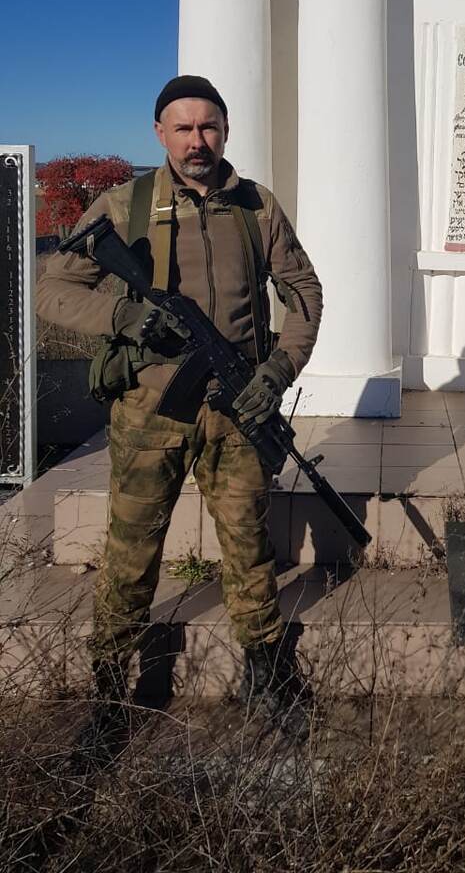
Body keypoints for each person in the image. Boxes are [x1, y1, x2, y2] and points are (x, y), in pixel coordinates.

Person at [36, 75, 323, 750]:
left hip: (234, 411)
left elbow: (303, 291)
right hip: (149, 415)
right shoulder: (125, 204)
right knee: (131, 553)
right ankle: (109, 694)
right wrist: (123, 313)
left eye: (210, 127)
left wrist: (278, 370)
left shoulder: (258, 207)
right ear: (160, 135)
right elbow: (53, 291)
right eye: (184, 128)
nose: (198, 141)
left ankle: (267, 675)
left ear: (226, 131)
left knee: (250, 550)